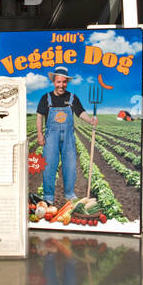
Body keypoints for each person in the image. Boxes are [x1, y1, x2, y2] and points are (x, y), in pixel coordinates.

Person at [35, 66, 98, 204]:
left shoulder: (72, 97)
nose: (61, 85)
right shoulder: (46, 98)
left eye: (64, 82)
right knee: (49, 165)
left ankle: (70, 194)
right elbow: (39, 117)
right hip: (51, 136)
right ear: (54, 81)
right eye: (58, 82)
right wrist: (40, 134)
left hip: (69, 136)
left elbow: (81, 112)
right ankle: (48, 196)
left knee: (70, 165)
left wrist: (90, 120)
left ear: (67, 82)